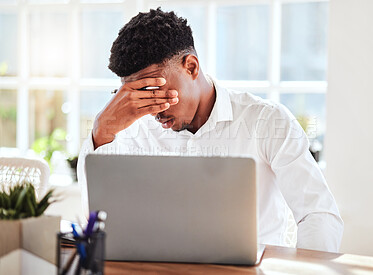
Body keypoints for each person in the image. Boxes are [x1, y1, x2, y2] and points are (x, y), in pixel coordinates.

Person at [77, 8, 343, 252]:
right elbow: (98, 220)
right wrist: (102, 131)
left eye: (155, 91)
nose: (154, 109)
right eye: (137, 95)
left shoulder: (266, 121)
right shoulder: (133, 132)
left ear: (190, 67)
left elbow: (318, 214)